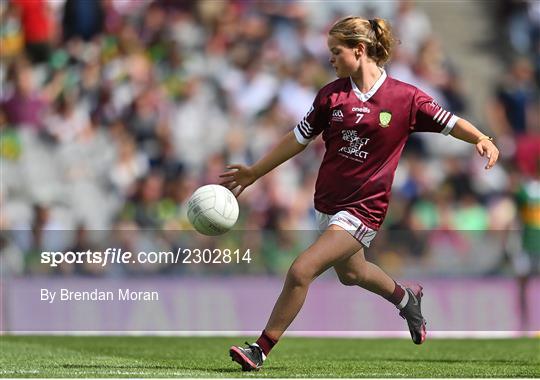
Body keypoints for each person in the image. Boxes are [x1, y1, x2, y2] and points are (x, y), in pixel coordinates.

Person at [220, 16, 499, 372]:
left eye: (336, 52)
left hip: (364, 209)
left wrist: (481, 138)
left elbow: (449, 121)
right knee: (352, 274)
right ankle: (405, 297)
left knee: (301, 270)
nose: (331, 59)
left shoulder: (405, 98)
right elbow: (297, 138)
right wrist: (256, 171)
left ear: (360, 50)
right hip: (327, 205)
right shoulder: (331, 95)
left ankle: (260, 348)